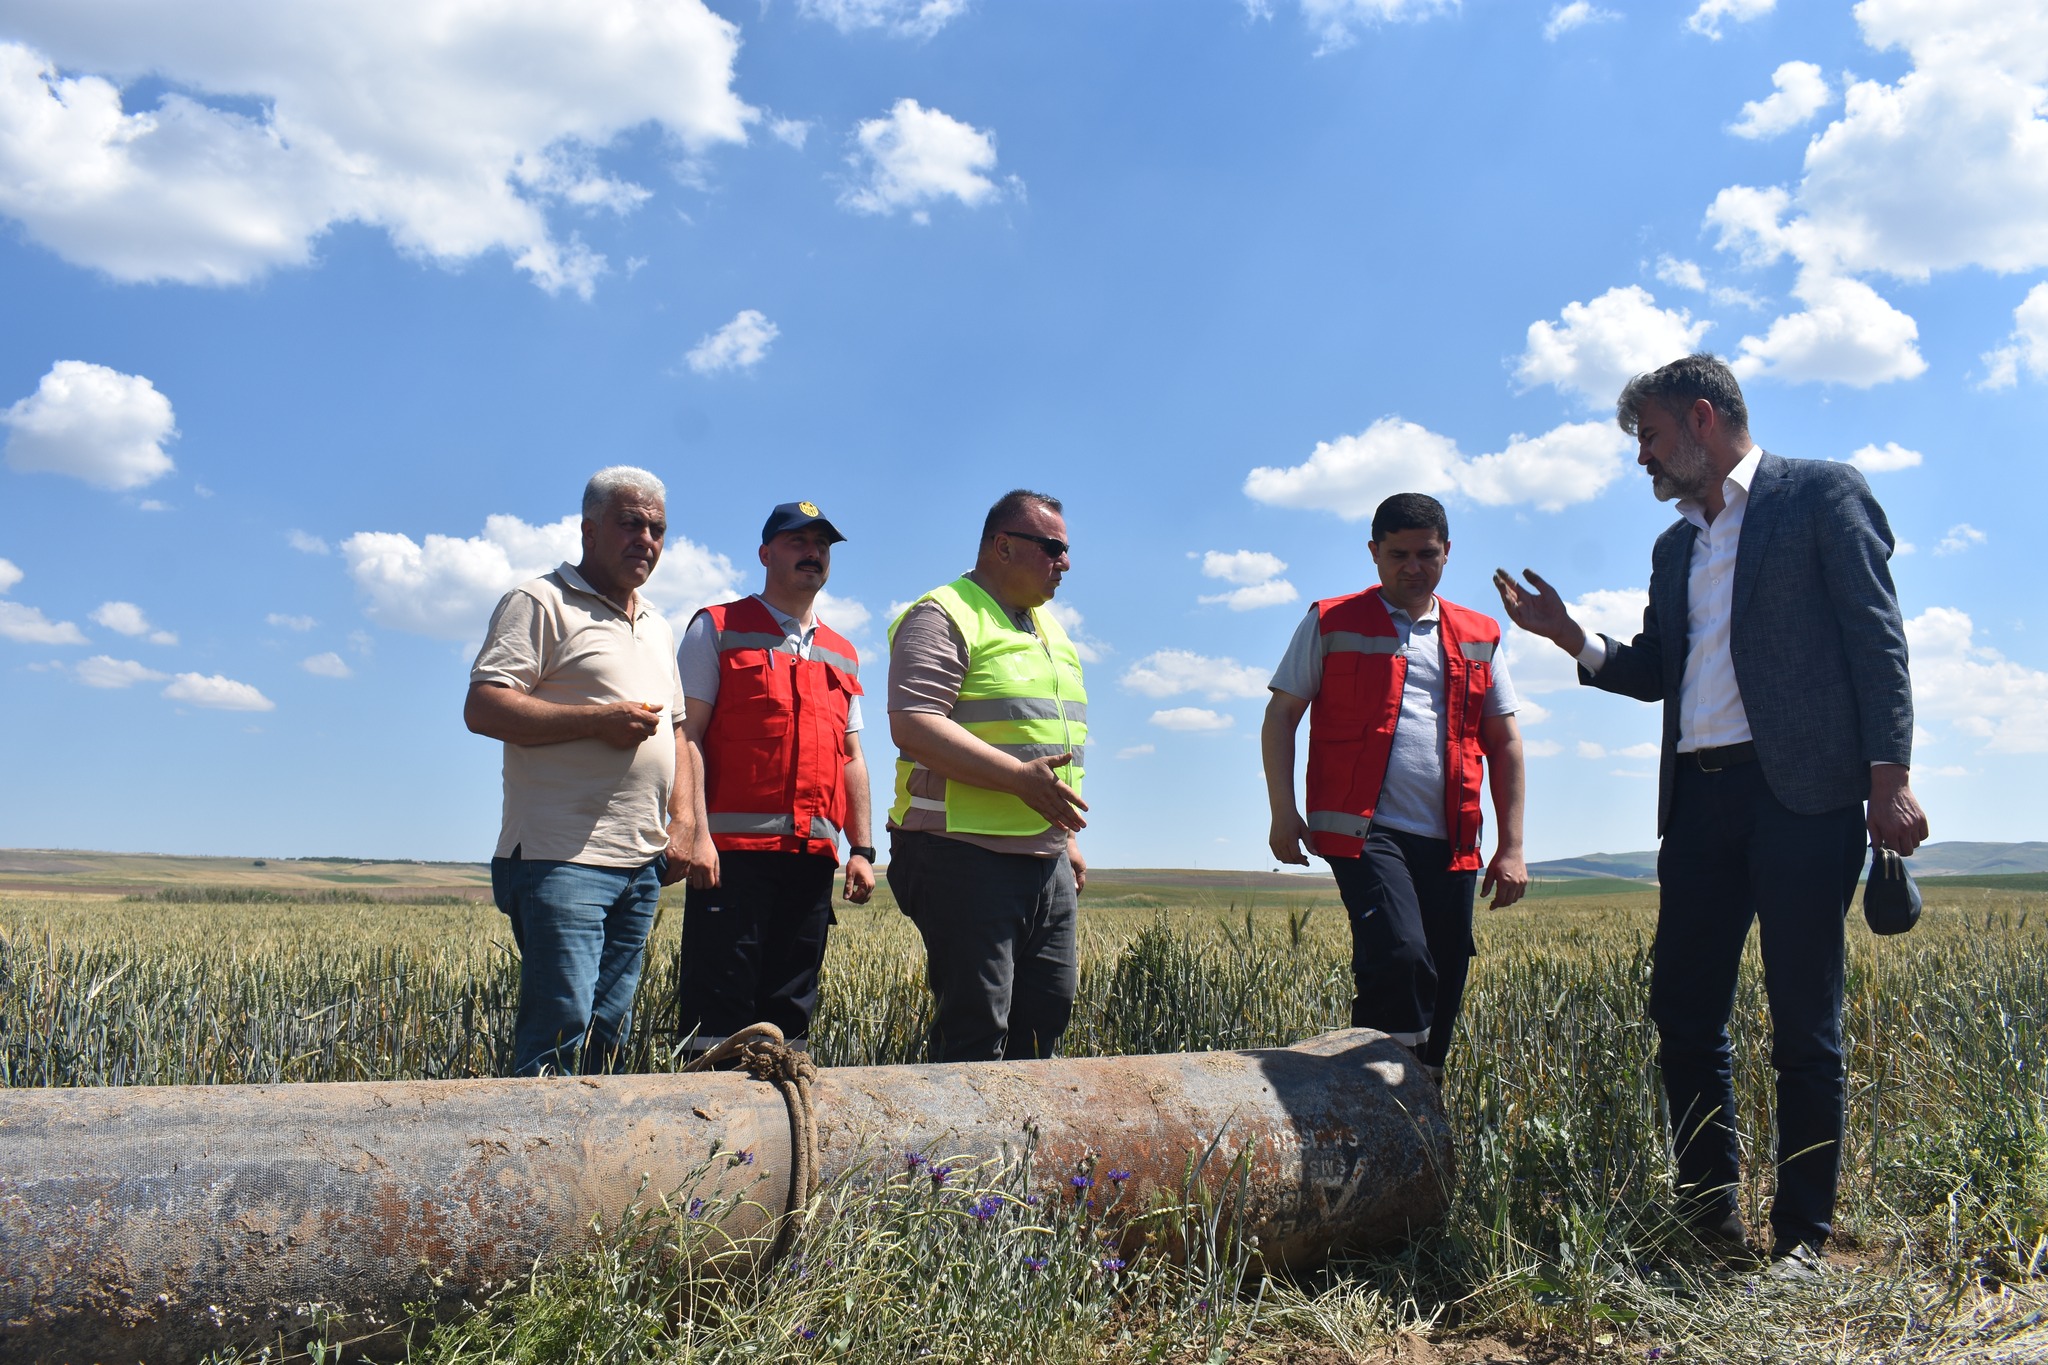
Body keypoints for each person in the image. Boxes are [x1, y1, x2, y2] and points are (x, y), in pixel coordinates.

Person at [1493, 353, 1928, 1269]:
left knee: (1804, 1021)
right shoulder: (1674, 547)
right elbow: (1659, 668)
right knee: (1685, 1014)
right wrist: (1570, 636)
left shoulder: (1821, 495)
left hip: (1802, 798)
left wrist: (1888, 777)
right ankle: (1708, 1220)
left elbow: (1876, 638)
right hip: (1697, 802)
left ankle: (1802, 1237)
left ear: (1701, 418)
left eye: (1649, 436)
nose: (1642, 457)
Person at [1262, 492, 1529, 1085]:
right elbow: (1281, 715)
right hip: (1363, 831)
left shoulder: (1480, 634)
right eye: (1398, 555)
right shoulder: (1331, 620)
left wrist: (1511, 846)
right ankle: (1378, 1094)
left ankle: (1421, 1096)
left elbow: (1505, 740)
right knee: (1401, 955)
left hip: (1453, 838)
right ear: (1374, 553)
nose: (1414, 567)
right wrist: (1283, 811)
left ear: (1447, 552)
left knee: (1445, 972)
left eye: (1426, 554)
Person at [464, 466, 693, 1076]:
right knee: (560, 1026)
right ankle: (534, 1135)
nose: (646, 539)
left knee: (608, 1030)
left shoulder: (657, 624)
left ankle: (592, 1140)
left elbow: (677, 730)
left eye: (657, 529)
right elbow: (484, 706)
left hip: (640, 860)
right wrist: (596, 721)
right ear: (589, 530)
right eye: (630, 524)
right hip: (560, 858)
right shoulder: (539, 602)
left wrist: (685, 822)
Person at [885, 489, 1089, 1063]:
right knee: (975, 1030)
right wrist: (1019, 780)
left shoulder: (1050, 631)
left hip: (1044, 856)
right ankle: (954, 1129)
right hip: (961, 852)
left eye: (1066, 550)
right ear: (1002, 546)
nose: (1065, 563)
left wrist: (1066, 838)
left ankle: (1025, 1128)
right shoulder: (943, 614)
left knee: (1046, 1018)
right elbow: (914, 724)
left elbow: (1049, 743)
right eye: (1052, 547)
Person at [673, 501, 875, 1056]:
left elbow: (851, 756)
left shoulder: (842, 652)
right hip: (730, 860)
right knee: (718, 1019)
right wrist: (695, 832)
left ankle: (783, 1110)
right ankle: (712, 1111)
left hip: (810, 861)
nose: (813, 553)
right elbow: (686, 735)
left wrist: (861, 848)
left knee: (790, 1018)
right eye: (797, 542)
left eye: (822, 545)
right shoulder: (717, 626)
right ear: (765, 554)